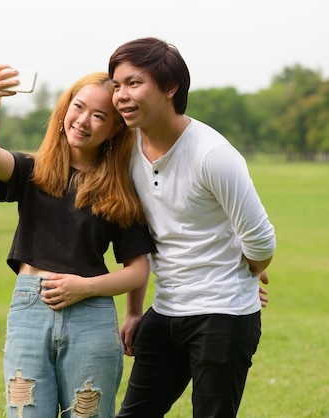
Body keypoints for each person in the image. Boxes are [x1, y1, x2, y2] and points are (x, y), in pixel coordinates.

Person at [106, 37, 277, 417]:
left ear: (170, 88)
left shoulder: (212, 155)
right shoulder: (125, 147)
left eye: (134, 83)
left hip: (223, 317)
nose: (121, 95)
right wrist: (134, 311)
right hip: (165, 310)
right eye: (116, 86)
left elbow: (262, 241)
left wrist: (243, 277)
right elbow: (138, 237)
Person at [0, 66, 156, 418]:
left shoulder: (118, 190)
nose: (84, 120)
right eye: (78, 106)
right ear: (64, 109)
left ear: (115, 128)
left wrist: (85, 287)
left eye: (99, 116)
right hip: (30, 309)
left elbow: (137, 272)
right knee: (24, 409)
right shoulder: (32, 170)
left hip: (91, 316)